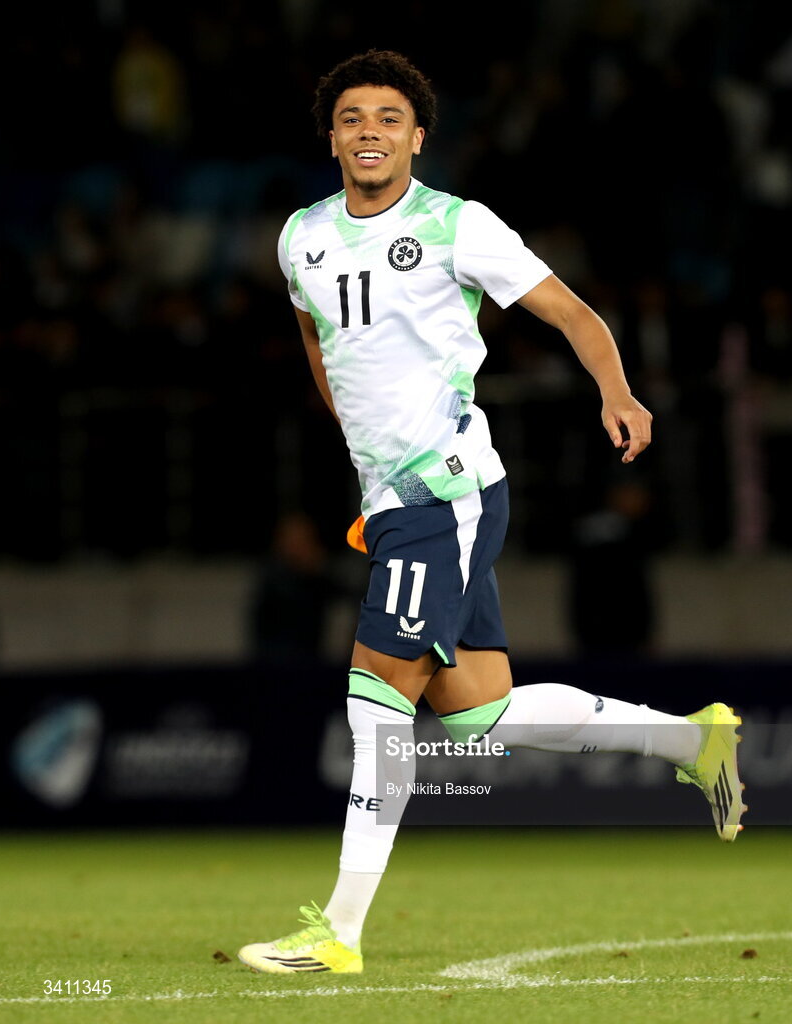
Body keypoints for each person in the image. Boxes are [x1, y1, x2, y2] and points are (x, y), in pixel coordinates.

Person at [238, 50, 745, 976]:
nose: (370, 133)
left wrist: (617, 392)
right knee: (480, 718)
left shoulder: (456, 225)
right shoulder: (299, 236)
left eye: (389, 119)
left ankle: (340, 933)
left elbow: (572, 312)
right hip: (396, 495)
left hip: (446, 488)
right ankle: (690, 738)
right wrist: (360, 447)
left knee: (374, 703)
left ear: (418, 137)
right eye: (353, 118)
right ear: (332, 135)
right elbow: (315, 332)